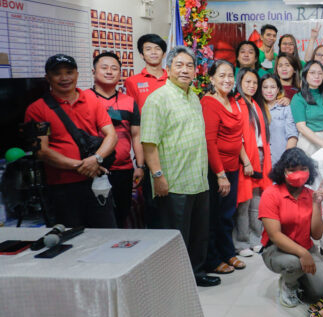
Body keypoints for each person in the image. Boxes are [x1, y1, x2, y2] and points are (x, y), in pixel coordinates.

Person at [141, 46, 218, 287]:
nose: (185, 70)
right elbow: (149, 142)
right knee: (175, 235)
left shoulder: (193, 96)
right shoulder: (157, 99)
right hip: (173, 182)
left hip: (197, 179)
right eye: (179, 65)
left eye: (189, 66)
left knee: (198, 233)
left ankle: (195, 273)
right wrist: (158, 175)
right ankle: (173, 281)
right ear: (169, 68)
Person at [24, 54, 118, 228]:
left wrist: (96, 159)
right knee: (71, 240)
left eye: (69, 72)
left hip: (97, 182)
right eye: (57, 73)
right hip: (62, 188)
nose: (64, 78)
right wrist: (82, 166)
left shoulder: (92, 100)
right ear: (47, 78)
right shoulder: (37, 109)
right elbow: (42, 151)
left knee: (107, 235)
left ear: (77, 74)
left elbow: (112, 135)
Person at [259, 148, 323, 307]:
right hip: (276, 249)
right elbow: (274, 235)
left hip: (306, 247)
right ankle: (288, 284)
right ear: (283, 171)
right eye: (292, 170)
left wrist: (316, 204)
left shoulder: (311, 195)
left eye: (303, 169)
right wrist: (302, 253)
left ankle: (298, 275)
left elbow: (317, 235)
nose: (298, 173)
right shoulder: (271, 194)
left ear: (310, 171)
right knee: (294, 263)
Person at [201, 60, 246, 275]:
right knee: (214, 215)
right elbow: (210, 142)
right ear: (211, 78)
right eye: (221, 76)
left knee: (228, 214)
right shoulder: (209, 103)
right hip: (216, 170)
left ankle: (227, 252)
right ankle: (212, 258)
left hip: (233, 166)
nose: (227, 80)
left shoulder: (232, 100)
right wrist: (220, 175)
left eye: (230, 75)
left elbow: (237, 136)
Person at [91, 51, 143, 227]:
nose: (109, 72)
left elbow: (136, 136)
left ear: (120, 74)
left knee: (121, 216)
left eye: (114, 68)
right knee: (97, 220)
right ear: (93, 72)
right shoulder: (85, 99)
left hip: (124, 170)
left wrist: (140, 166)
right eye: (104, 68)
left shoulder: (129, 101)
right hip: (94, 170)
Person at [233, 67, 272, 258]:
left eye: (254, 82)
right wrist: (246, 161)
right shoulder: (237, 103)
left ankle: (256, 238)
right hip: (245, 158)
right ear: (239, 82)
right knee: (244, 201)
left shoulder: (255, 104)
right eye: (247, 82)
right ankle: (241, 242)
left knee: (258, 200)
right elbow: (237, 137)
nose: (251, 85)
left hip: (261, 155)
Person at [290, 60, 323, 154]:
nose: (317, 76)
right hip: (308, 141)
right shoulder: (298, 98)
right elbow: (301, 127)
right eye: (312, 73)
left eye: (320, 73)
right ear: (305, 75)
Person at [257, 73, 298, 162]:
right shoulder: (256, 108)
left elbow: (292, 136)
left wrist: (285, 160)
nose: (269, 91)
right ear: (260, 89)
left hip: (280, 159)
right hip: (260, 161)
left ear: (278, 89)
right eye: (265, 87)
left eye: (273, 87)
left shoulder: (285, 108)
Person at [125, 33, 167, 111]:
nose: (153, 52)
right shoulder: (132, 81)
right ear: (142, 55)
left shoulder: (173, 79)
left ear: (164, 54)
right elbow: (132, 112)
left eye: (157, 48)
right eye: (148, 49)